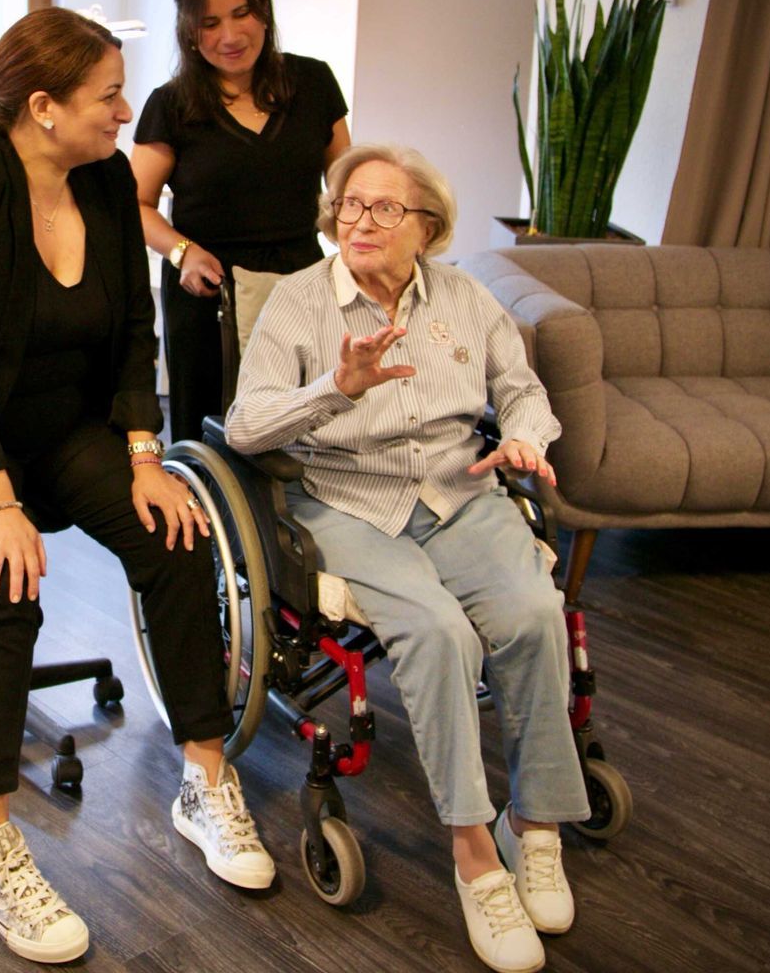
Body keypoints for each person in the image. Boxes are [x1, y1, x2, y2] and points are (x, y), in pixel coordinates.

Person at [0, 7, 276, 965]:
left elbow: (131, 333)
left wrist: (140, 453)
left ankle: (206, 780)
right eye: (108, 95)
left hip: (55, 431)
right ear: (43, 107)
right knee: (5, 581)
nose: (126, 112)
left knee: (176, 534)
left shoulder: (109, 183)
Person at [224, 144, 588, 973]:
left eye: (385, 209)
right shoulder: (298, 303)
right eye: (350, 205)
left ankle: (534, 825)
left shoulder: (464, 295)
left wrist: (527, 437)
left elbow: (521, 389)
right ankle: (473, 855)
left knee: (536, 615)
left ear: (426, 228)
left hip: (461, 490)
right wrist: (336, 391)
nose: (359, 221)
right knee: (438, 633)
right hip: (348, 500)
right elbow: (246, 427)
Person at [131, 0, 351, 444]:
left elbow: (346, 190)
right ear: (189, 32)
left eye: (241, 13)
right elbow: (134, 203)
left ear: (263, 10)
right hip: (207, 292)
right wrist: (181, 252)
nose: (230, 36)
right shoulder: (172, 105)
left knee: (302, 428)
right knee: (210, 435)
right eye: (209, 23)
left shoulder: (313, 83)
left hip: (299, 283)